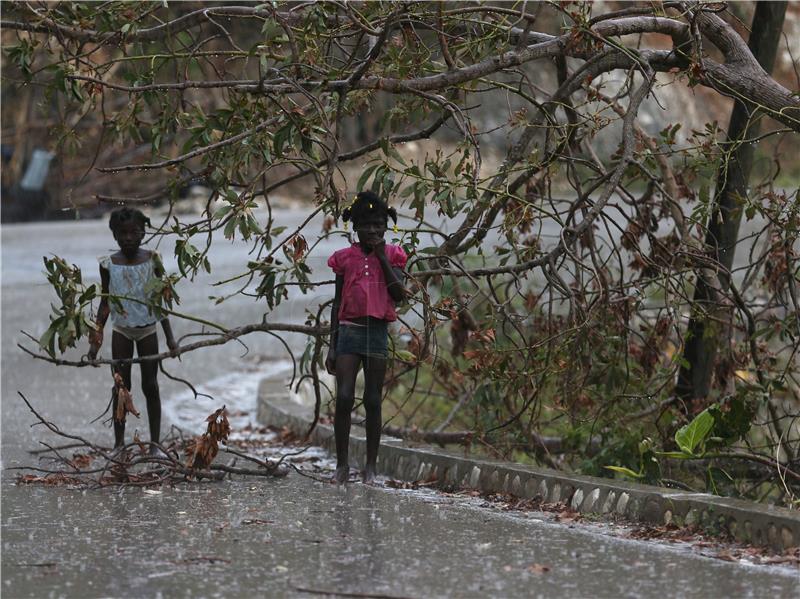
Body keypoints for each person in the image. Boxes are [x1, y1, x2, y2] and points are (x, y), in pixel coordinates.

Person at [326, 191, 408, 484]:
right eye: (366, 225)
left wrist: (382, 257)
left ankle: (371, 467)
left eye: (378, 225)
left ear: (386, 227)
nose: (372, 230)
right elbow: (337, 304)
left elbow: (399, 294)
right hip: (349, 330)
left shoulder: (395, 256)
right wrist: (332, 346)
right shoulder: (343, 259)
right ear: (356, 227)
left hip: (376, 333)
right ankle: (342, 465)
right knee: (345, 397)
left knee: (373, 400)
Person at [87, 207, 177, 455]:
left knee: (151, 386)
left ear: (143, 233)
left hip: (148, 330)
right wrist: (96, 340)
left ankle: (155, 444)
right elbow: (105, 303)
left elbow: (161, 300)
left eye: (133, 232)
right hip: (122, 331)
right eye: (122, 233)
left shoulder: (152, 259)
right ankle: (119, 443)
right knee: (121, 387)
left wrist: (170, 338)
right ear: (114, 235)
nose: (128, 238)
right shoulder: (108, 264)